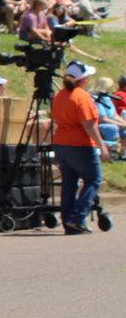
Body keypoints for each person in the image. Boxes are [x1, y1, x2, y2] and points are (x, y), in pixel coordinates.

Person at [52, 61, 104, 234]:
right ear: (84, 79)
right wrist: (102, 146)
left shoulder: (60, 95)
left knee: (69, 183)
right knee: (93, 180)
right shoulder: (81, 96)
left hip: (61, 143)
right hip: (80, 144)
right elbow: (89, 124)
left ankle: (68, 220)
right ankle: (77, 218)